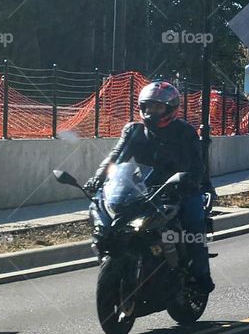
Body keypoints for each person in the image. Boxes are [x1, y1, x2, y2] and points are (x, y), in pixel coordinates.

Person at [88, 81, 214, 292]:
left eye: (157, 107)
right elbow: (115, 157)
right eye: (148, 107)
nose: (152, 112)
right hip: (144, 189)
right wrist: (98, 178)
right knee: (108, 217)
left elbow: (197, 165)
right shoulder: (133, 130)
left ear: (171, 108)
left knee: (193, 227)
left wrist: (188, 182)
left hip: (181, 188)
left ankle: (201, 277)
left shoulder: (185, 132)